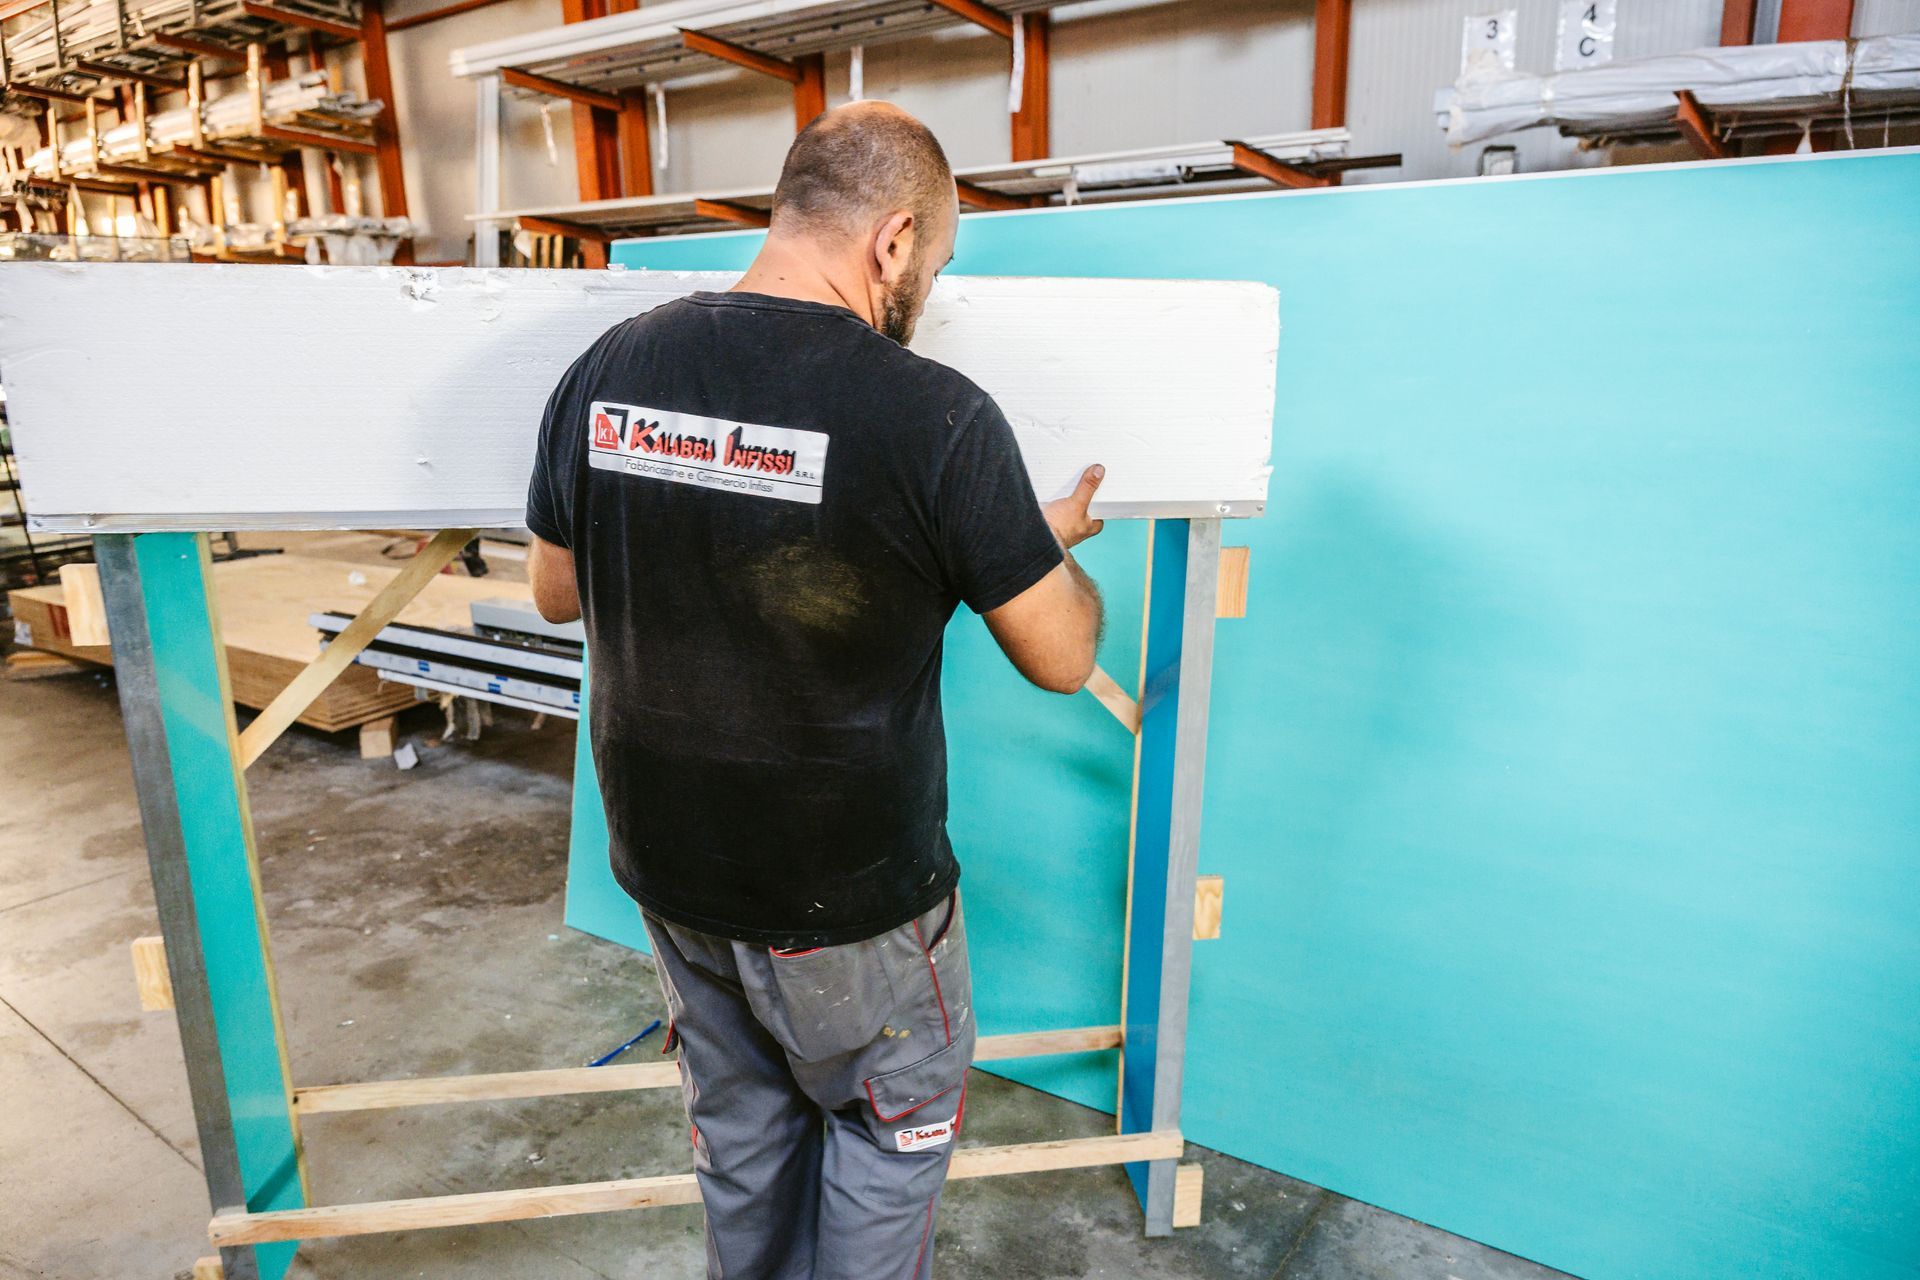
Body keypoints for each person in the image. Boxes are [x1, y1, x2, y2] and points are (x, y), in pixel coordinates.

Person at [524, 100, 1106, 1279]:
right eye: (932, 265)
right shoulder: (933, 414)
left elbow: (553, 590)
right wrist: (1045, 552)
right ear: (893, 239)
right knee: (889, 1143)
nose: (924, 295)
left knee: (744, 1142)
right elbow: (1062, 657)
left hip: (675, 872)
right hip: (850, 902)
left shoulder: (611, 365)